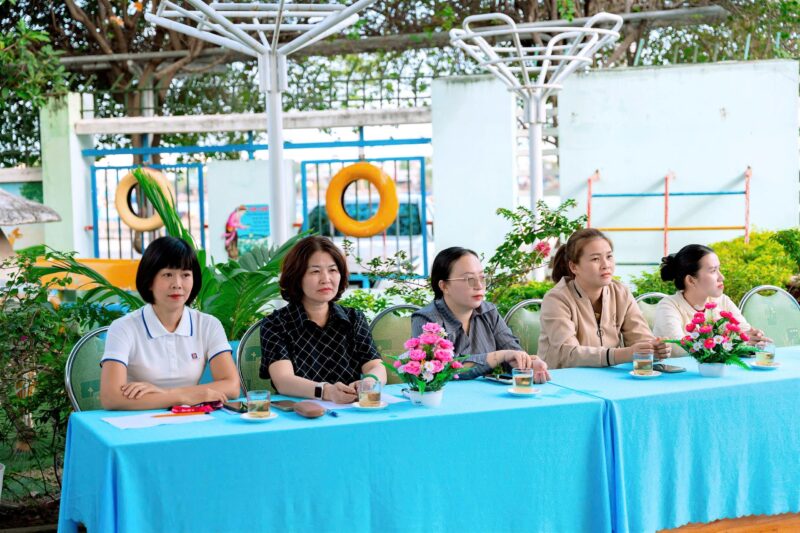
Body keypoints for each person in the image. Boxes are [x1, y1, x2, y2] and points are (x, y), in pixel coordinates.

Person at [100, 236, 240, 410]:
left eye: (185, 275)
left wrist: (167, 393)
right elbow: (111, 397)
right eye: (167, 275)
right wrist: (182, 397)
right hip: (138, 419)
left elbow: (232, 386)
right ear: (149, 281)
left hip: (191, 417)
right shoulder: (123, 328)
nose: (177, 284)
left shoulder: (208, 325)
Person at [259, 236, 386, 404]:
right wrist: (326, 391)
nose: (326, 279)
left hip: (351, 409)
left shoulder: (354, 318)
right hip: (300, 411)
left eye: (332, 270)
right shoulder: (275, 324)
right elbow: (283, 381)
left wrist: (369, 382)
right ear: (297, 277)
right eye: (315, 271)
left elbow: (376, 366)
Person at [412, 247, 551, 383]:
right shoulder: (427, 320)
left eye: (482, 278)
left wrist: (528, 365)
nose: (479, 285)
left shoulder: (488, 312)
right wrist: (498, 356)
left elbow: (512, 352)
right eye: (469, 279)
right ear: (444, 286)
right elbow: (438, 370)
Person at [538, 228, 670, 369]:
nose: (606, 265)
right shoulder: (556, 299)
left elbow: (641, 339)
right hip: (562, 379)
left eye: (609, 256)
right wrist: (625, 354)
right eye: (595, 259)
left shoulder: (621, 292)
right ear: (574, 267)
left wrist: (654, 349)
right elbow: (569, 355)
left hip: (610, 377)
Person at [653, 244, 769, 353]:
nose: (721, 277)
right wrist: (737, 343)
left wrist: (755, 338)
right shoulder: (668, 306)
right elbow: (680, 348)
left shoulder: (723, 301)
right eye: (713, 271)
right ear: (691, 280)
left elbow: (744, 331)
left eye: (719, 269)